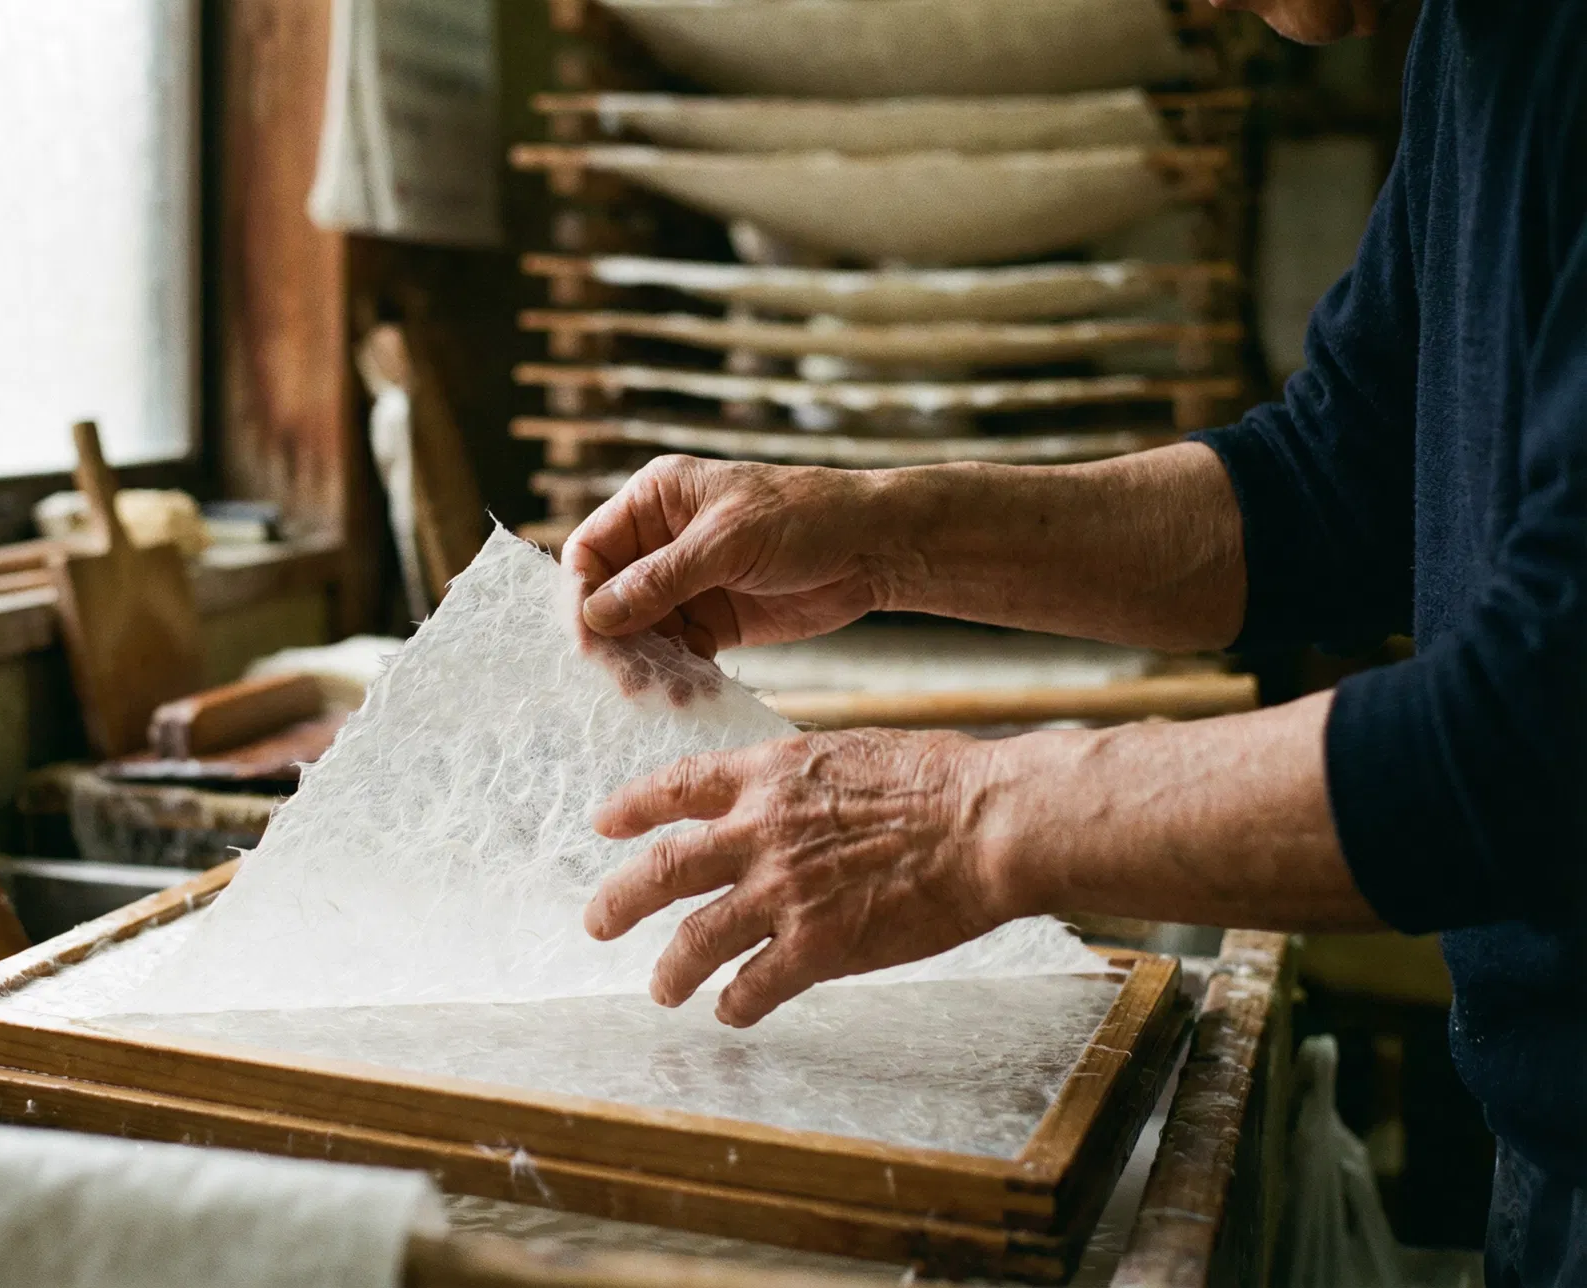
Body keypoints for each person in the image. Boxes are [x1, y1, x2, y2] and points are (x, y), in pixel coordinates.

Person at [563, 0, 1587, 1281]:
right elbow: (1337, 490)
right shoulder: (1471, 36)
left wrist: (963, 817)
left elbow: (1542, 723)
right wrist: (876, 533)